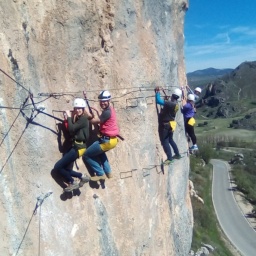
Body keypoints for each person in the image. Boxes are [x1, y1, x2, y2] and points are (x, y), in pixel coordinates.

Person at [54, 98, 91, 192]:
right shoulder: (80, 119)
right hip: (76, 146)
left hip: (78, 148)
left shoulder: (83, 119)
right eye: (76, 108)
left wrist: (69, 117)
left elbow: (72, 129)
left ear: (83, 109)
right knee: (65, 168)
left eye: (80, 108)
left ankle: (72, 181)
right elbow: (72, 129)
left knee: (57, 167)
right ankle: (82, 176)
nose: (78, 110)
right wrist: (67, 119)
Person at [82, 90, 119, 181]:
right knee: (101, 153)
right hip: (112, 140)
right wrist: (98, 112)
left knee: (86, 155)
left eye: (104, 101)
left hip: (106, 141)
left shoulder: (107, 112)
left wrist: (86, 113)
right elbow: (103, 119)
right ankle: (108, 172)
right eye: (101, 101)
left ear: (108, 101)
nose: (102, 103)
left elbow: (94, 121)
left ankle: (100, 173)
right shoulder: (110, 109)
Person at [155, 86, 182, 165]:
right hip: (171, 124)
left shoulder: (170, 103)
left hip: (166, 125)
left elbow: (158, 101)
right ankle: (177, 154)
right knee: (170, 140)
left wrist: (157, 92)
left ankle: (169, 158)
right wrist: (167, 100)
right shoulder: (176, 104)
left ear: (173, 95)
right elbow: (168, 105)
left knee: (165, 141)